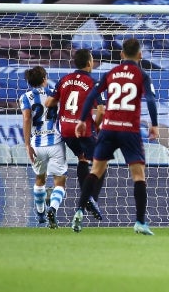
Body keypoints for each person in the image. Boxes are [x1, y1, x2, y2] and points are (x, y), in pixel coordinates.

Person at [70, 37, 159, 235]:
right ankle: (140, 222)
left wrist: (82, 120)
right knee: (138, 176)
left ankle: (79, 211)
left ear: (121, 54)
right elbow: (151, 100)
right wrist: (154, 124)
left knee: (95, 171)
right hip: (129, 130)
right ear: (140, 55)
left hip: (109, 128)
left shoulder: (111, 73)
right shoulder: (142, 74)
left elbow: (92, 95)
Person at [45, 49, 105, 220]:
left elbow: (49, 102)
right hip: (83, 129)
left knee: (82, 158)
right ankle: (91, 198)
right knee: (101, 163)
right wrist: (96, 127)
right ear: (89, 63)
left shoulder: (64, 79)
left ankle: (88, 199)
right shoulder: (93, 82)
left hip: (65, 129)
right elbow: (101, 110)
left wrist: (59, 102)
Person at [20, 66, 67, 228]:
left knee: (40, 179)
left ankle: (41, 214)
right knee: (59, 181)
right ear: (44, 79)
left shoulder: (25, 97)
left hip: (37, 144)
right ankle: (52, 209)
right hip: (56, 142)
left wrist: (27, 144)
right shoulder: (55, 93)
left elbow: (27, 119)